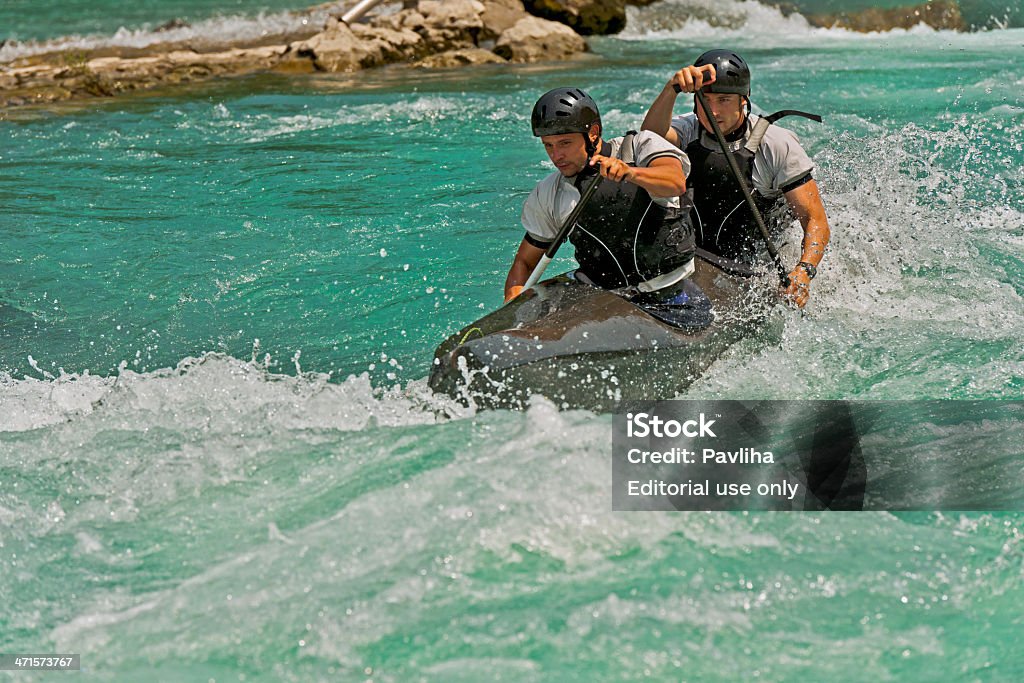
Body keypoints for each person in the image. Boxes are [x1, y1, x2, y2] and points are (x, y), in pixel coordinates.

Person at [641, 49, 830, 308]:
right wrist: (670, 89)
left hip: (750, 271)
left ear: (744, 99)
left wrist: (804, 271)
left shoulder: (775, 144)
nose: (714, 112)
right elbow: (649, 139)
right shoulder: (687, 130)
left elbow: (814, 219)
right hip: (691, 258)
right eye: (706, 101)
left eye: (724, 100)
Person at [505, 87, 705, 322]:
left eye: (564, 143)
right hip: (603, 301)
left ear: (593, 133)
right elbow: (525, 262)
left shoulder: (641, 147)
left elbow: (675, 182)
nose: (556, 155)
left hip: (670, 295)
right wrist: (512, 312)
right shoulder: (549, 193)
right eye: (548, 145)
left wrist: (630, 173)